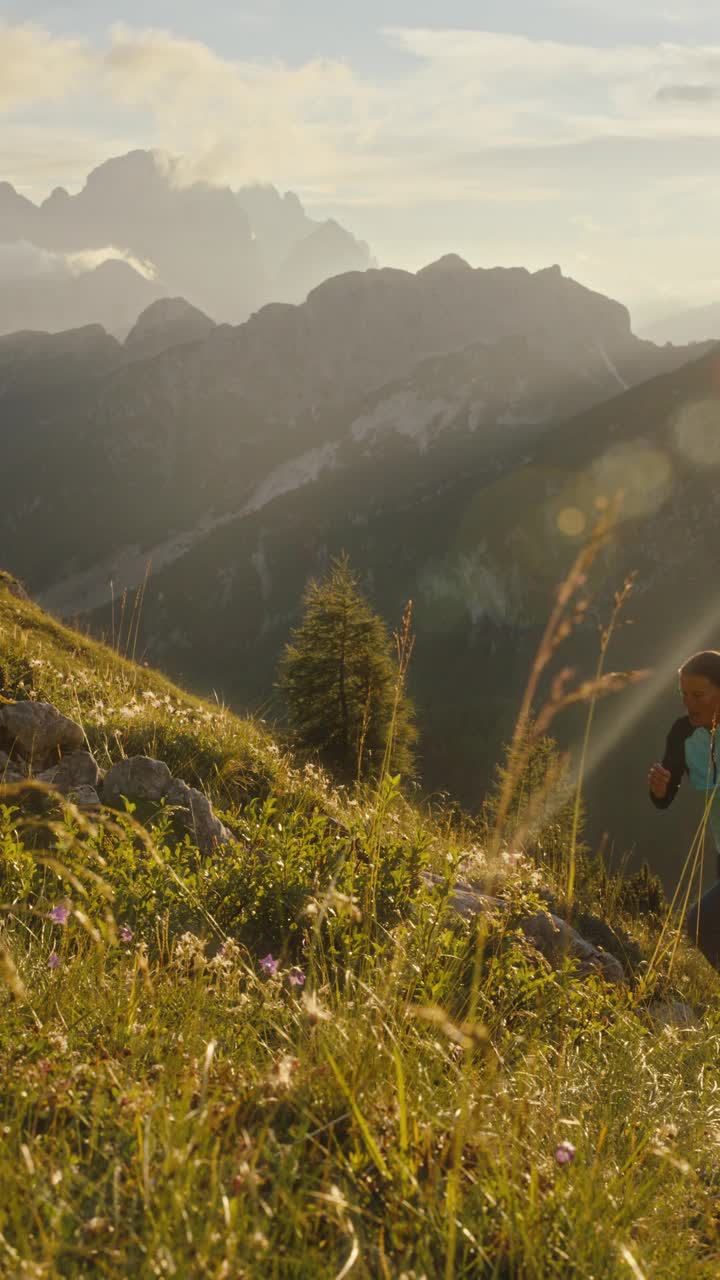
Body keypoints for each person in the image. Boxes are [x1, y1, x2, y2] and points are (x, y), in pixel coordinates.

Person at [648, 650, 720, 966]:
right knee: (703, 926)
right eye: (684, 694)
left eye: (698, 695)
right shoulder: (682, 734)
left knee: (701, 923)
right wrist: (659, 789)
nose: (689, 703)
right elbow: (665, 794)